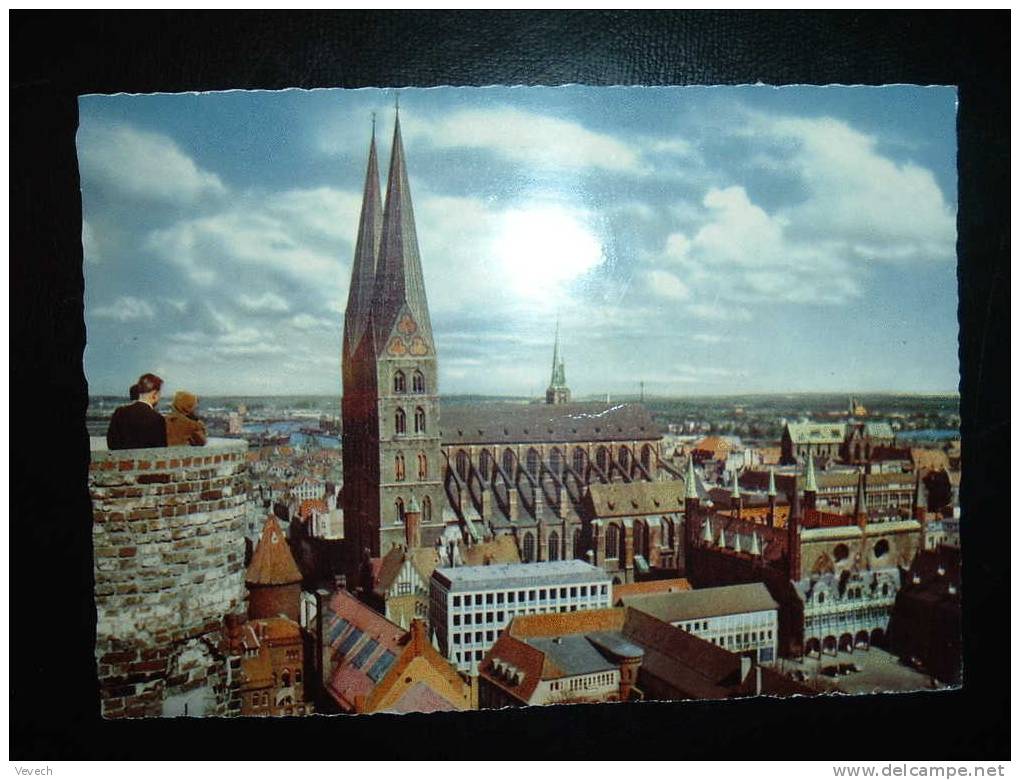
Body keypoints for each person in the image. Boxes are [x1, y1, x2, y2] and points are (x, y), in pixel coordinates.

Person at [106, 373, 167, 449]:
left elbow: (111, 443)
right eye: (159, 394)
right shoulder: (158, 419)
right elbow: (160, 450)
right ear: (154, 394)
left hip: (122, 460)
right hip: (145, 460)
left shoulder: (119, 413)